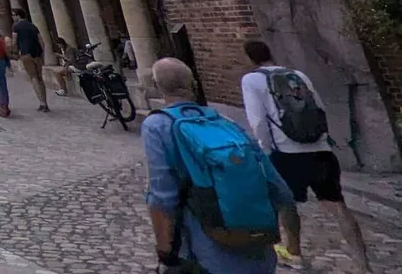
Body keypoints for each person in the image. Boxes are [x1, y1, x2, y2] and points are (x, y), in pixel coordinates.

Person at [144, 58, 296, 274]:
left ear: (157, 86)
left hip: (208, 250)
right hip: (259, 248)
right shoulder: (225, 121)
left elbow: (162, 197)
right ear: (193, 84)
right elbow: (280, 189)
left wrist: (165, 253)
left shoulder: (157, 125)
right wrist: (293, 242)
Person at [240, 39, 371, 272]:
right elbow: (319, 108)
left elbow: (258, 120)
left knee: (286, 204)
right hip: (320, 150)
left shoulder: (252, 80)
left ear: (249, 58)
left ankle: (294, 252)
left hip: (286, 152)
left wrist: (265, 150)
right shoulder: (298, 75)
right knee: (338, 206)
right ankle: (363, 265)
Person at [11, 8, 50, 113]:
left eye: (13, 15)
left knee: (33, 78)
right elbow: (41, 40)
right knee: (40, 78)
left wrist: (14, 52)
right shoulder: (33, 26)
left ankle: (42, 103)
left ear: (18, 15)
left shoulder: (16, 27)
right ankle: (45, 102)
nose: (13, 17)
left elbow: (14, 41)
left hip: (26, 53)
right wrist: (43, 54)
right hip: (37, 53)